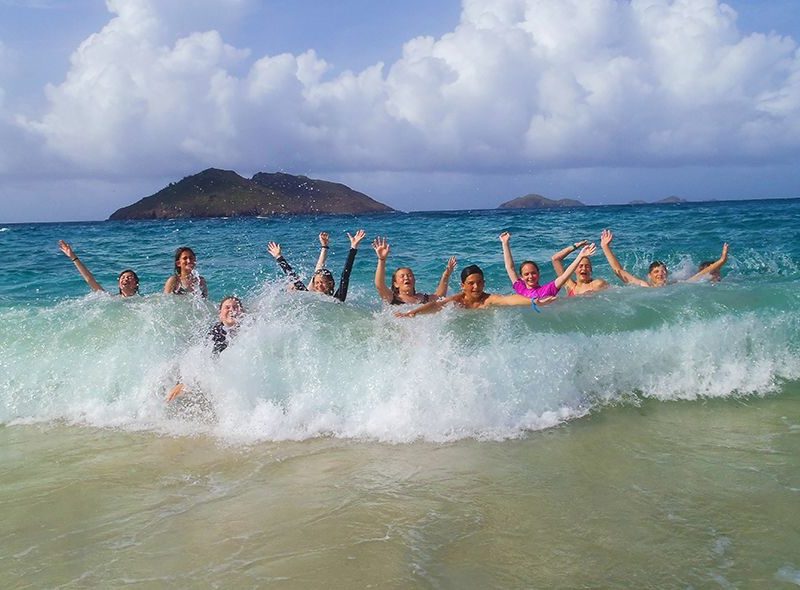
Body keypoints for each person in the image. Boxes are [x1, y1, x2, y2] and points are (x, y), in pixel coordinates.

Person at [166, 295, 243, 402]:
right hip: (202, 373)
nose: (232, 310)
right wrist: (183, 383)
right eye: (227, 307)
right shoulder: (216, 333)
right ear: (220, 315)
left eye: (236, 307)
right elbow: (202, 361)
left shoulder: (249, 331)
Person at [395, 265, 539, 317]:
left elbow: (508, 299)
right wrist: (413, 312)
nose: (476, 287)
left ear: (484, 283)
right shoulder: (458, 301)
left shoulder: (488, 299)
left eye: (479, 283)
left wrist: (533, 301)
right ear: (463, 285)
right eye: (471, 284)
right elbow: (437, 305)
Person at [601, 229, 729, 287]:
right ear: (650, 275)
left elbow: (700, 275)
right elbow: (619, 271)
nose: (660, 273)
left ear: (667, 273)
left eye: (663, 270)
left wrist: (721, 261)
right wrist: (605, 247)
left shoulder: (675, 285)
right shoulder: (645, 285)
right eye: (656, 271)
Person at [267, 229, 366, 302]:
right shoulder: (308, 296)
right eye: (317, 283)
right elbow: (294, 277)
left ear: (330, 284)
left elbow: (345, 275)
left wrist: (353, 248)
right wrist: (279, 257)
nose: (319, 286)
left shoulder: (337, 299)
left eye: (322, 282)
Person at [499, 231, 597, 300]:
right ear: (522, 277)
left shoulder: (546, 290)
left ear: (538, 274)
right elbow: (510, 268)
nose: (530, 276)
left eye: (533, 273)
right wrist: (505, 243)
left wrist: (580, 256)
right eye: (526, 274)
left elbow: (564, 276)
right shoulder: (520, 287)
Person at [372, 236, 457, 304]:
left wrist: (446, 275)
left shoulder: (423, 299)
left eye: (409, 275)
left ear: (414, 280)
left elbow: (439, 297)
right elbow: (379, 285)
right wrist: (382, 260)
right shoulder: (392, 298)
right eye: (402, 276)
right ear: (396, 284)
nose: (406, 278)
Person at [58, 240, 139, 297]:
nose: (125, 279)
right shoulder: (111, 299)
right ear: (119, 284)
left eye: (129, 277)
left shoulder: (144, 302)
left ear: (136, 283)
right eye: (123, 277)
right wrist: (73, 257)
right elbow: (90, 280)